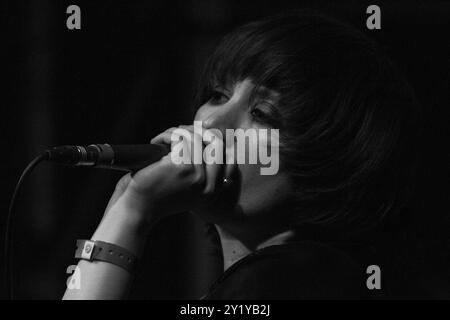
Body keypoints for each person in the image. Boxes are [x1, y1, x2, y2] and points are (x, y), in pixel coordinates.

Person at [63, 11, 421, 300]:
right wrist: (126, 199)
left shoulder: (289, 281)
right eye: (219, 94)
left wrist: (132, 214)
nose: (214, 122)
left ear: (332, 166)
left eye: (263, 113)